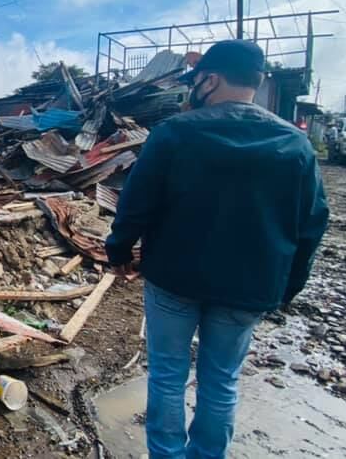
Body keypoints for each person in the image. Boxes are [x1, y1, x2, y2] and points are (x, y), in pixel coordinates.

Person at [105, 40, 329, 459]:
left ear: (210, 79)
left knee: (168, 376)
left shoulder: (174, 133)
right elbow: (311, 225)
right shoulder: (294, 145)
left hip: (173, 278)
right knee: (221, 381)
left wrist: (118, 252)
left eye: (197, 80)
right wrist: (288, 288)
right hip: (249, 286)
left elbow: (135, 203)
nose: (194, 88)